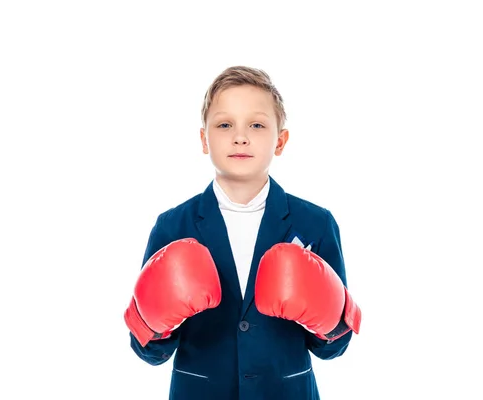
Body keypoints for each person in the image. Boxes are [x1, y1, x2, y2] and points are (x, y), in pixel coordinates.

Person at [123, 65, 362, 400]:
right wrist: (158, 323)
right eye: (224, 124)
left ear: (280, 140)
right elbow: (147, 350)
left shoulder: (316, 223)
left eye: (257, 124)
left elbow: (333, 348)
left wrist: (327, 316)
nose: (240, 136)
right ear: (204, 139)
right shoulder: (172, 225)